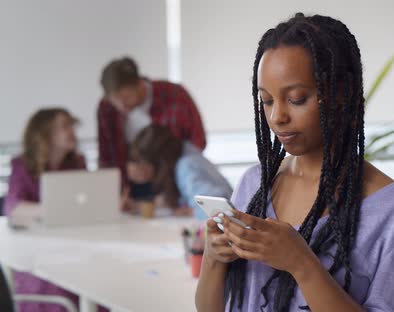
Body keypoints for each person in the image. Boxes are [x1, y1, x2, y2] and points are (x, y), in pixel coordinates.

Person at [195, 13, 394, 312]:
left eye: (297, 98)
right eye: (266, 101)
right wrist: (213, 259)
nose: (277, 116)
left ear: (341, 93)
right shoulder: (256, 185)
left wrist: (301, 263)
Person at [3, 108, 85, 312]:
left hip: (76, 247)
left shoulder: (75, 164)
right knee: (60, 289)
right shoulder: (22, 166)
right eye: (65, 126)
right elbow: (13, 208)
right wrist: (54, 209)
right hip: (39, 256)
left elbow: (85, 206)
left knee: (99, 280)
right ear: (45, 133)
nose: (72, 132)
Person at [97, 56, 207, 197]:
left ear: (139, 83)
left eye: (125, 97)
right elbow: (106, 157)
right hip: (128, 189)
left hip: (175, 187)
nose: (121, 105)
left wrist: (161, 169)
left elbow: (197, 143)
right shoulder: (106, 109)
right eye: (114, 100)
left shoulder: (175, 95)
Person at [127, 125, 233, 218]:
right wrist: (137, 206)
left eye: (145, 164)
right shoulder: (185, 152)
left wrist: (191, 212)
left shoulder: (187, 166)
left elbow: (219, 210)